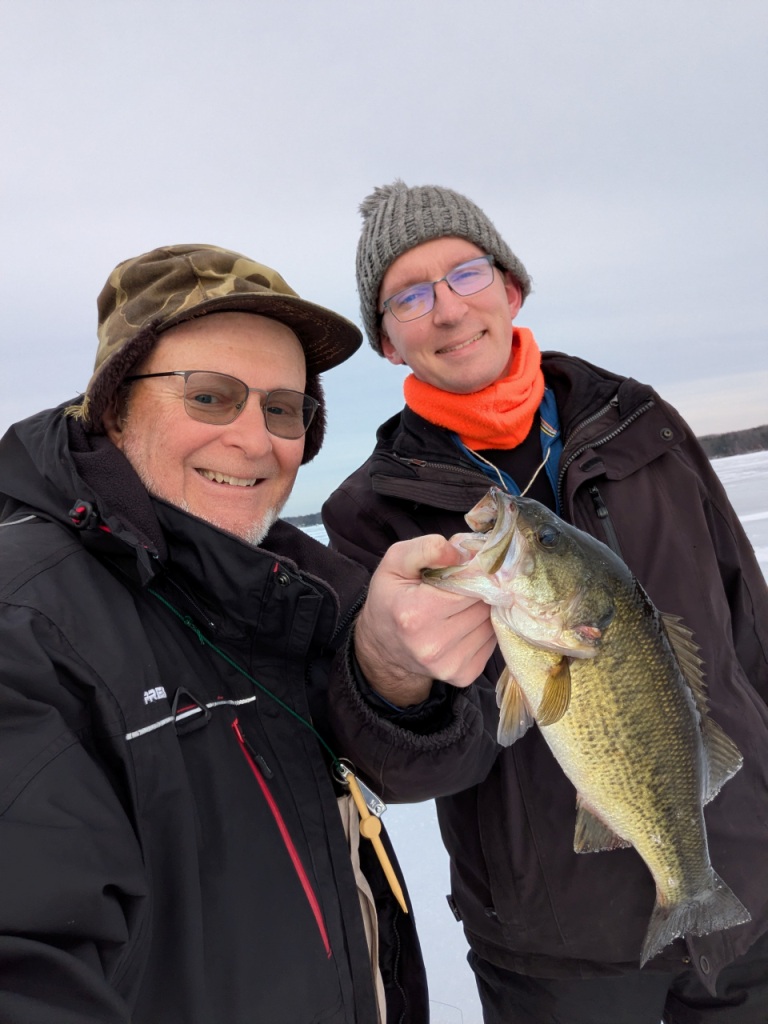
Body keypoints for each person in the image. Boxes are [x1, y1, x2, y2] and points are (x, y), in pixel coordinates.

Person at [0, 242, 485, 1023]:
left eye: (283, 408)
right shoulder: (26, 621)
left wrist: (394, 672)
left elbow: (431, 768)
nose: (256, 441)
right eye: (212, 397)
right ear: (117, 403)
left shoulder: (288, 585)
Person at [321, 181, 768, 1023]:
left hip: (749, 876)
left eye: (465, 274)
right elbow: (394, 768)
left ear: (511, 286)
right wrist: (394, 676)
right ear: (387, 341)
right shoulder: (367, 513)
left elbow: (751, 629)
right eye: (409, 297)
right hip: (555, 945)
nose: (447, 310)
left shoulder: (645, 426)